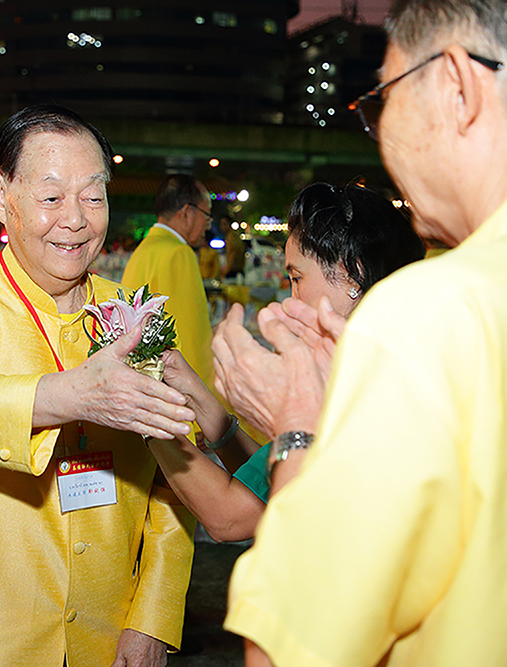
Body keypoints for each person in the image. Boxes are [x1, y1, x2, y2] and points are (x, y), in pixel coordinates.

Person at [217, 2, 507, 666]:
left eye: (382, 100)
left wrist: (298, 433)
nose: (379, 131)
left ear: (456, 86)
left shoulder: (432, 315)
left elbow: (287, 651)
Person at [0, 104, 197, 667]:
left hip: (106, 636)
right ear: (3, 197)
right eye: (51, 197)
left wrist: (153, 618)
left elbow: (178, 479)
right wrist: (71, 396)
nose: (75, 220)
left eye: (93, 197)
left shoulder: (132, 315)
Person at [148, 183, 425, 542]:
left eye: (296, 278)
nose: (289, 299)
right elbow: (274, 473)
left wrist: (143, 413)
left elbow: (229, 517)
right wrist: (198, 397)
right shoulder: (388, 353)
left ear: (352, 274)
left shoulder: (361, 379)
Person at [122, 174, 215, 388]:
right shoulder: (179, 254)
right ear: (187, 213)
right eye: (207, 215)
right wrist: (210, 400)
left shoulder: (145, 249)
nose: (208, 225)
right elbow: (192, 339)